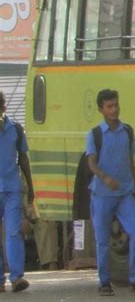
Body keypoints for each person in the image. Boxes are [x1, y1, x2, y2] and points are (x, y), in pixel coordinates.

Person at [86, 89, 135, 296]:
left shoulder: (127, 131)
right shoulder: (95, 134)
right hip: (102, 195)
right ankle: (105, 282)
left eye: (116, 105)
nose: (114, 109)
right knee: (103, 240)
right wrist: (105, 178)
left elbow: (130, 161)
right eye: (109, 106)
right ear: (101, 110)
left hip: (124, 193)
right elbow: (91, 164)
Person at [0, 91, 34, 292]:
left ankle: (16, 277)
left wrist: (30, 185)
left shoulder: (16, 129)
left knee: (13, 232)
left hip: (12, 188)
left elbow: (23, 158)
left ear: (4, 107)